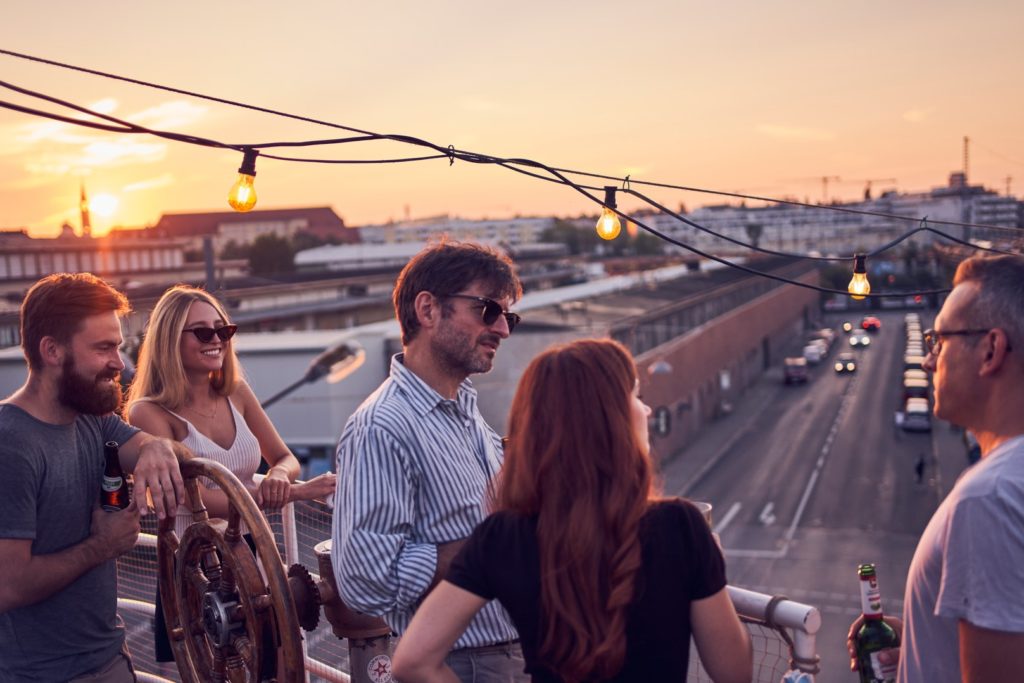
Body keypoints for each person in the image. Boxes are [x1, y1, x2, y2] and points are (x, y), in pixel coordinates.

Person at [392, 339, 752, 682]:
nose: (646, 409)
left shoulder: (502, 536)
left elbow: (412, 662)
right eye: (636, 396)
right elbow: (733, 672)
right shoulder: (680, 527)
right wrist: (710, 566)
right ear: (610, 420)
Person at [332, 241, 526, 682]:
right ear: (428, 309)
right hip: (464, 665)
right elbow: (365, 579)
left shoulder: (464, 410)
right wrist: (488, 550)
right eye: (487, 310)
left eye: (508, 317)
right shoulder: (382, 426)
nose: (503, 329)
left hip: (511, 656)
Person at [125, 284, 336, 664]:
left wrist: (278, 477)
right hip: (195, 567)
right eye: (204, 333)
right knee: (217, 668)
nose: (217, 340)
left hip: (248, 551)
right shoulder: (147, 412)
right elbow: (199, 500)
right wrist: (295, 494)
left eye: (223, 330)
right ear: (170, 339)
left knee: (271, 664)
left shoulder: (235, 391)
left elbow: (285, 458)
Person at [0, 273, 189, 682]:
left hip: (110, 659)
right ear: (51, 350)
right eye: (103, 348)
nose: (118, 363)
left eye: (118, 347)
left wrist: (156, 446)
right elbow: (7, 586)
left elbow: (150, 447)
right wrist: (102, 545)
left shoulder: (91, 419)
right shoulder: (10, 444)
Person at [847, 254, 1024, 682]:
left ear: (990, 350)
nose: (929, 361)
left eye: (939, 342)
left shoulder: (989, 498)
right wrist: (926, 643)